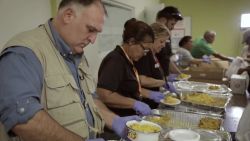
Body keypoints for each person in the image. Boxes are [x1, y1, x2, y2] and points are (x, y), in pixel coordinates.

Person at [0, 0, 139, 141]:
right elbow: (25, 120)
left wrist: (115, 121)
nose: (93, 40)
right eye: (90, 30)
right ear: (68, 16)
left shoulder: (76, 53)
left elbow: (89, 99)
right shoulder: (25, 53)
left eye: (97, 32)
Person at [97, 18, 165, 117]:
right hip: (118, 120)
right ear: (131, 41)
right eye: (145, 50)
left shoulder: (128, 59)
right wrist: (134, 104)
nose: (145, 54)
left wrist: (150, 94)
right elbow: (104, 95)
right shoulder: (115, 60)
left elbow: (128, 88)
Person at [134, 22, 170, 108]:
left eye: (165, 42)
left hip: (153, 102)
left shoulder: (154, 54)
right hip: (145, 103)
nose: (164, 45)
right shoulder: (145, 54)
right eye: (161, 41)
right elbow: (142, 80)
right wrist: (163, 83)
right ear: (152, 39)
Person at [155, 6, 183, 77]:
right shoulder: (152, 36)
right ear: (163, 20)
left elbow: (166, 59)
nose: (173, 27)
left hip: (163, 76)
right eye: (172, 24)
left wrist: (180, 75)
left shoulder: (167, 36)